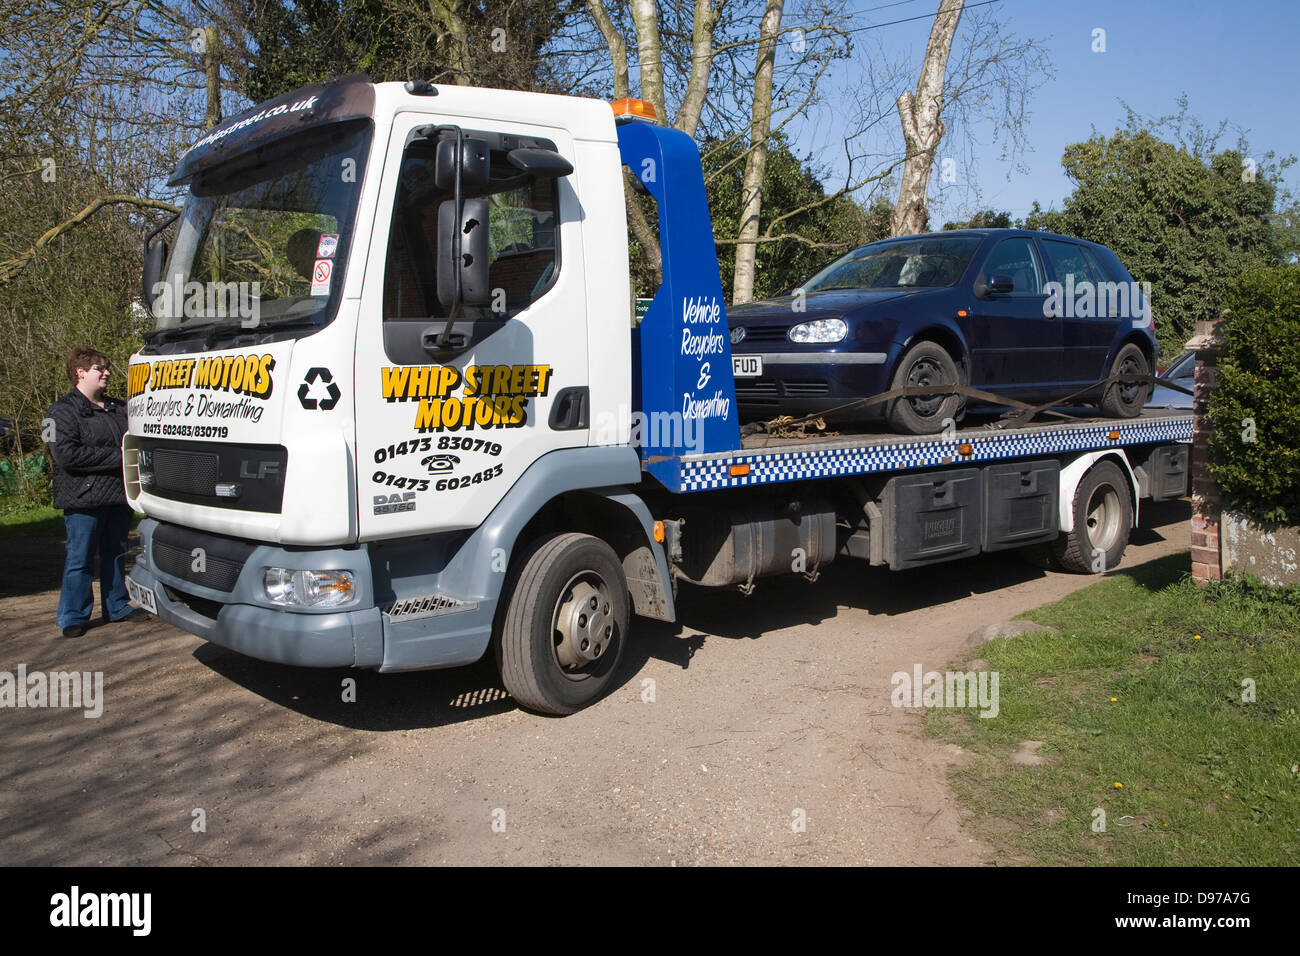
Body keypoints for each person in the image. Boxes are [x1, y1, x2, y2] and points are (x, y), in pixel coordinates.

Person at [45, 347, 149, 637]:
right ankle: (73, 616)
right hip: (82, 499)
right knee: (80, 560)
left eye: (106, 368)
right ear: (80, 372)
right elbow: (64, 456)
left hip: (118, 496)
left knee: (116, 553)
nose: (106, 373)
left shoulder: (118, 408)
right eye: (98, 368)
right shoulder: (58, 413)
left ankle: (117, 606)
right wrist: (120, 458)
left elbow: (135, 441)